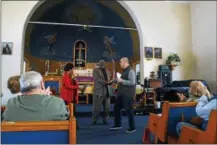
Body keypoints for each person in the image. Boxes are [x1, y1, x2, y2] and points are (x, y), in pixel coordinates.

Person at [2, 71, 68, 121]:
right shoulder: (58, 103)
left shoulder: (11, 104)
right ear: (42, 84)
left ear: (21, 87)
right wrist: (48, 98)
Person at [110, 57, 136, 133]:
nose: (120, 63)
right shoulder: (124, 71)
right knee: (116, 108)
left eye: (121, 62)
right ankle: (118, 124)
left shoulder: (130, 70)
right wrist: (115, 81)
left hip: (127, 94)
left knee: (129, 111)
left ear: (125, 62)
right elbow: (122, 81)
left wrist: (121, 80)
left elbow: (132, 82)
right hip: (121, 94)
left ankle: (132, 127)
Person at [60, 63, 79, 128]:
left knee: (72, 111)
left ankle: (74, 125)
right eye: (73, 68)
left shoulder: (70, 75)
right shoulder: (66, 75)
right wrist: (76, 87)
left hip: (70, 95)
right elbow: (68, 86)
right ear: (70, 69)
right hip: (67, 96)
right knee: (70, 111)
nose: (74, 70)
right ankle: (71, 125)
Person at [92, 60, 111, 125]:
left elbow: (109, 80)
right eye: (101, 63)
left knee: (107, 108)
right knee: (97, 108)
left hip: (107, 91)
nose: (102, 64)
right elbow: (97, 79)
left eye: (103, 63)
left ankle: (105, 120)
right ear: (99, 64)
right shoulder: (95, 70)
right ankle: (94, 120)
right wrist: (107, 82)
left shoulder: (108, 71)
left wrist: (111, 82)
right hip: (98, 92)